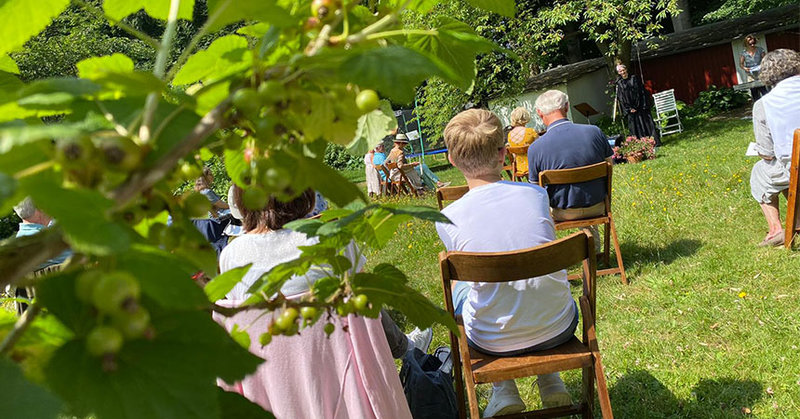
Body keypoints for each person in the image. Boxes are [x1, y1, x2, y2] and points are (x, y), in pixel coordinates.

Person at [215, 187, 426, 418]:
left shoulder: (230, 257)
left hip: (274, 399)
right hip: (345, 395)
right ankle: (407, 348)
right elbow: (369, 318)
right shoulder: (332, 241)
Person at [436, 109, 577, 417]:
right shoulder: (536, 194)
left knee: (462, 284)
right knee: (528, 278)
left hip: (491, 340)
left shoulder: (446, 219)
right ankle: (550, 381)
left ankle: (504, 388)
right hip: (558, 325)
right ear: (503, 154)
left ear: (451, 159)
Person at [528, 90, 613, 250]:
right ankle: (594, 251)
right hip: (598, 205)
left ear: (539, 113)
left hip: (562, 211)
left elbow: (536, 191)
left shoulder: (535, 148)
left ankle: (573, 253)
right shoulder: (594, 132)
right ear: (566, 107)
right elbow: (609, 167)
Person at [749, 49, 800, 246]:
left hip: (795, 168)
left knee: (761, 171)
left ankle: (776, 230)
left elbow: (767, 153)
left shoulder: (764, 104)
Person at [615, 64, 661, 146]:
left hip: (641, 107)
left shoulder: (634, 79)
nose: (623, 72)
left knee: (647, 124)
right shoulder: (619, 83)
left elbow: (641, 93)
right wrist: (629, 108)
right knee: (635, 128)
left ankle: (652, 142)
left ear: (626, 70)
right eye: (620, 71)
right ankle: (640, 145)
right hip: (631, 110)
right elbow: (621, 98)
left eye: (623, 70)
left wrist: (637, 106)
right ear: (618, 73)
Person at [192, 167, 231, 256]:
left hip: (204, 224)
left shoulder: (198, 192)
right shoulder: (206, 192)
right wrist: (236, 206)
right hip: (213, 223)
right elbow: (223, 205)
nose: (213, 176)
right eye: (210, 174)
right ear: (204, 177)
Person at [506, 107, 538, 176]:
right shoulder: (530, 132)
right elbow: (540, 149)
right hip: (534, 167)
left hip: (519, 169)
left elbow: (514, 155)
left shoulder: (509, 135)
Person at [739, 34, 769, 100]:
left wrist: (763, 66)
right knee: (754, 91)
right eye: (750, 44)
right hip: (750, 74)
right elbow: (741, 64)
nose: (752, 45)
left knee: (763, 90)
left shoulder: (760, 50)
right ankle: (757, 106)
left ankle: (768, 104)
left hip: (760, 72)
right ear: (746, 44)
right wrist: (745, 68)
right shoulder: (744, 53)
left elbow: (765, 59)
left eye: (753, 43)